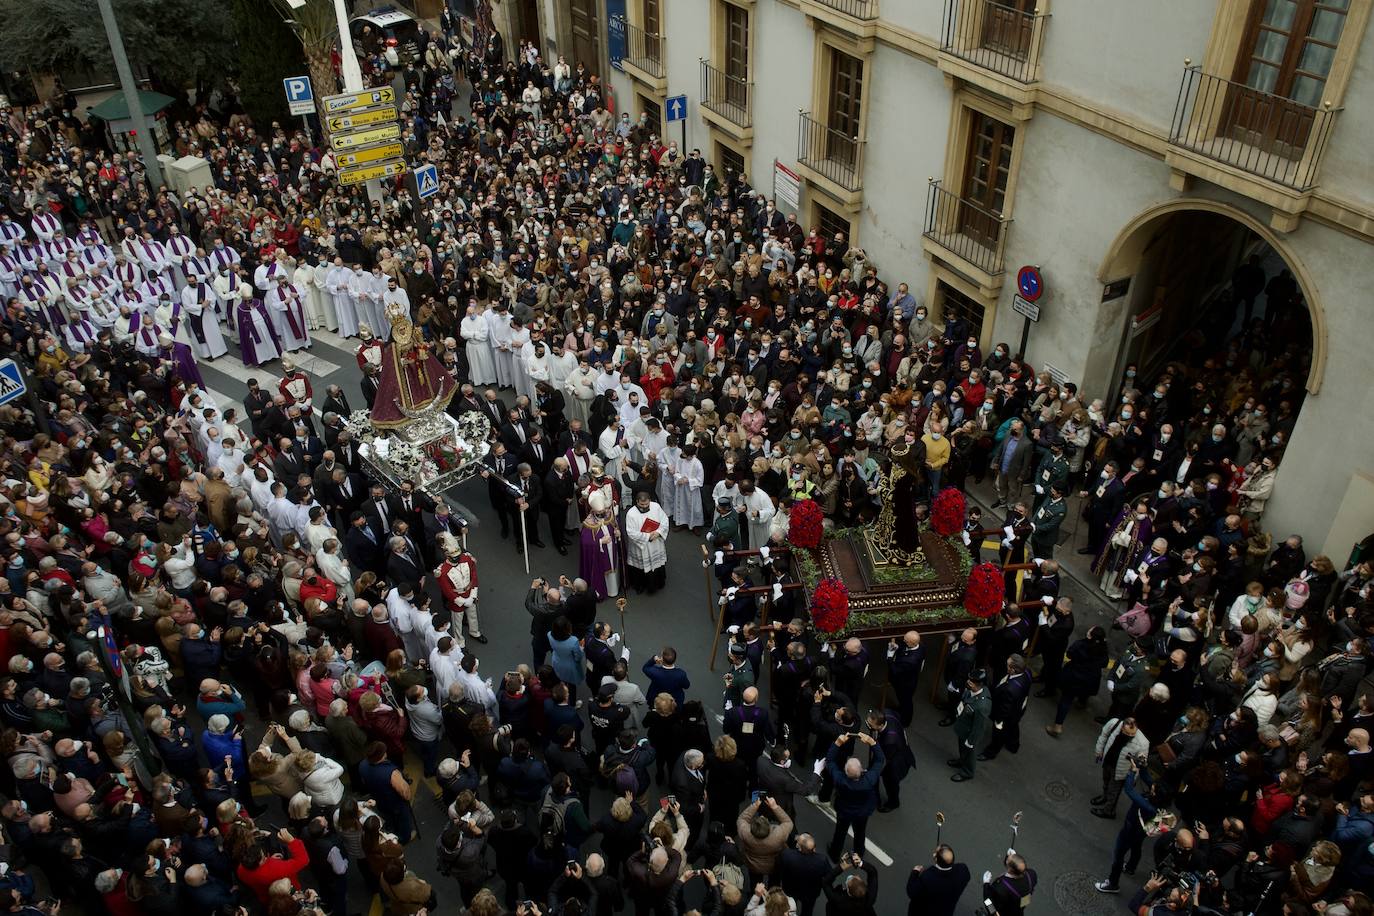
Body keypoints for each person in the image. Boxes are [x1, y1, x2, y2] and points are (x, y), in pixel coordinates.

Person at [825, 731, 883, 861]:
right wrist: (872, 742)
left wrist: (837, 743)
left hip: (844, 810)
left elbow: (830, 761)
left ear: (846, 771)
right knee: (860, 832)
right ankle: (859, 853)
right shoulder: (869, 779)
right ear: (862, 769)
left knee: (840, 832)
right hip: (862, 811)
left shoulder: (840, 780)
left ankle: (835, 854)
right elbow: (880, 760)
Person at [948, 668, 990, 782]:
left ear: (979, 685)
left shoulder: (982, 705)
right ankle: (962, 760)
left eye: (971, 682)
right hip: (963, 726)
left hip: (970, 733)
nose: (968, 682)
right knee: (962, 748)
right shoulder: (971, 689)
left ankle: (967, 772)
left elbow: (979, 727)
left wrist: (971, 741)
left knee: (969, 752)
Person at [624, 491, 669, 594]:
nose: (644, 507)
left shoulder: (656, 507)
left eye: (646, 504)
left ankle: (658, 583)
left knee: (656, 565)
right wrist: (648, 537)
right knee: (640, 567)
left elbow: (664, 520)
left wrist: (658, 532)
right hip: (641, 546)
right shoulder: (631, 513)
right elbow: (631, 532)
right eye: (642, 504)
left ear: (650, 501)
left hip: (655, 542)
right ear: (637, 502)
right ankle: (640, 585)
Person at [906, 846, 971, 916]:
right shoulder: (963, 871)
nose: (934, 854)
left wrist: (915, 872)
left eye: (936, 853)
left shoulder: (928, 877)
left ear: (936, 859)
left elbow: (911, 892)